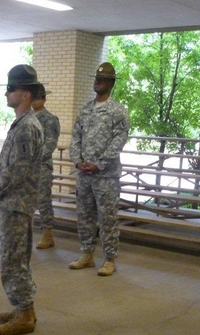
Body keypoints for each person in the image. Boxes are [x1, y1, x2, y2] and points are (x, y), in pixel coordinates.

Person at [0, 64, 43, 335]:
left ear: (25, 94)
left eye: (11, 89)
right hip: (12, 203)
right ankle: (23, 308)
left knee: (13, 261)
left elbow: (17, 170)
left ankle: (25, 314)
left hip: (16, 204)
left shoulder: (27, 126)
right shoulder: (21, 123)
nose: (7, 94)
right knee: (16, 259)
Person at [68, 62, 130, 276]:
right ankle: (86, 254)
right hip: (84, 174)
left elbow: (119, 141)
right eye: (96, 78)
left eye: (102, 80)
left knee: (107, 218)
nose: (97, 82)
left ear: (110, 84)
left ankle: (109, 259)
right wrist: (77, 161)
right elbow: (75, 138)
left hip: (106, 176)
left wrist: (100, 163)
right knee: (84, 215)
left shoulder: (117, 111)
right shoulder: (85, 109)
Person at [33, 83, 61, 249]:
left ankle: (47, 233)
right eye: (33, 97)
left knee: (43, 199)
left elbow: (49, 145)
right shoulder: (26, 117)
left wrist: (32, 158)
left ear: (44, 99)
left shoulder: (50, 119)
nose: (35, 101)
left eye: (39, 98)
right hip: (27, 167)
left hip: (42, 166)